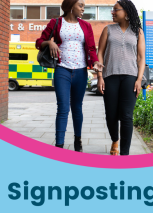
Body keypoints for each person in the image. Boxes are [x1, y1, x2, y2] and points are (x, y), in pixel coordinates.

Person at [35, 0, 104, 152]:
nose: (83, 9)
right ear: (71, 6)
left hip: (80, 71)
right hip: (62, 70)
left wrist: (96, 62)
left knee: (77, 107)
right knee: (63, 107)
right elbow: (38, 42)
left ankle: (77, 141)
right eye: (80, 5)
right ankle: (59, 145)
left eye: (84, 6)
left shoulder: (86, 26)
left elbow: (91, 49)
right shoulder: (56, 22)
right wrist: (49, 43)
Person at [96, 0, 146, 156]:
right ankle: (115, 139)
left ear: (126, 11)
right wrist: (100, 77)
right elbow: (100, 54)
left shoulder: (137, 31)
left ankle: (125, 154)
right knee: (111, 115)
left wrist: (139, 79)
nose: (113, 12)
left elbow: (141, 57)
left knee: (126, 116)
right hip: (110, 76)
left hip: (130, 77)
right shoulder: (107, 30)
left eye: (115, 10)